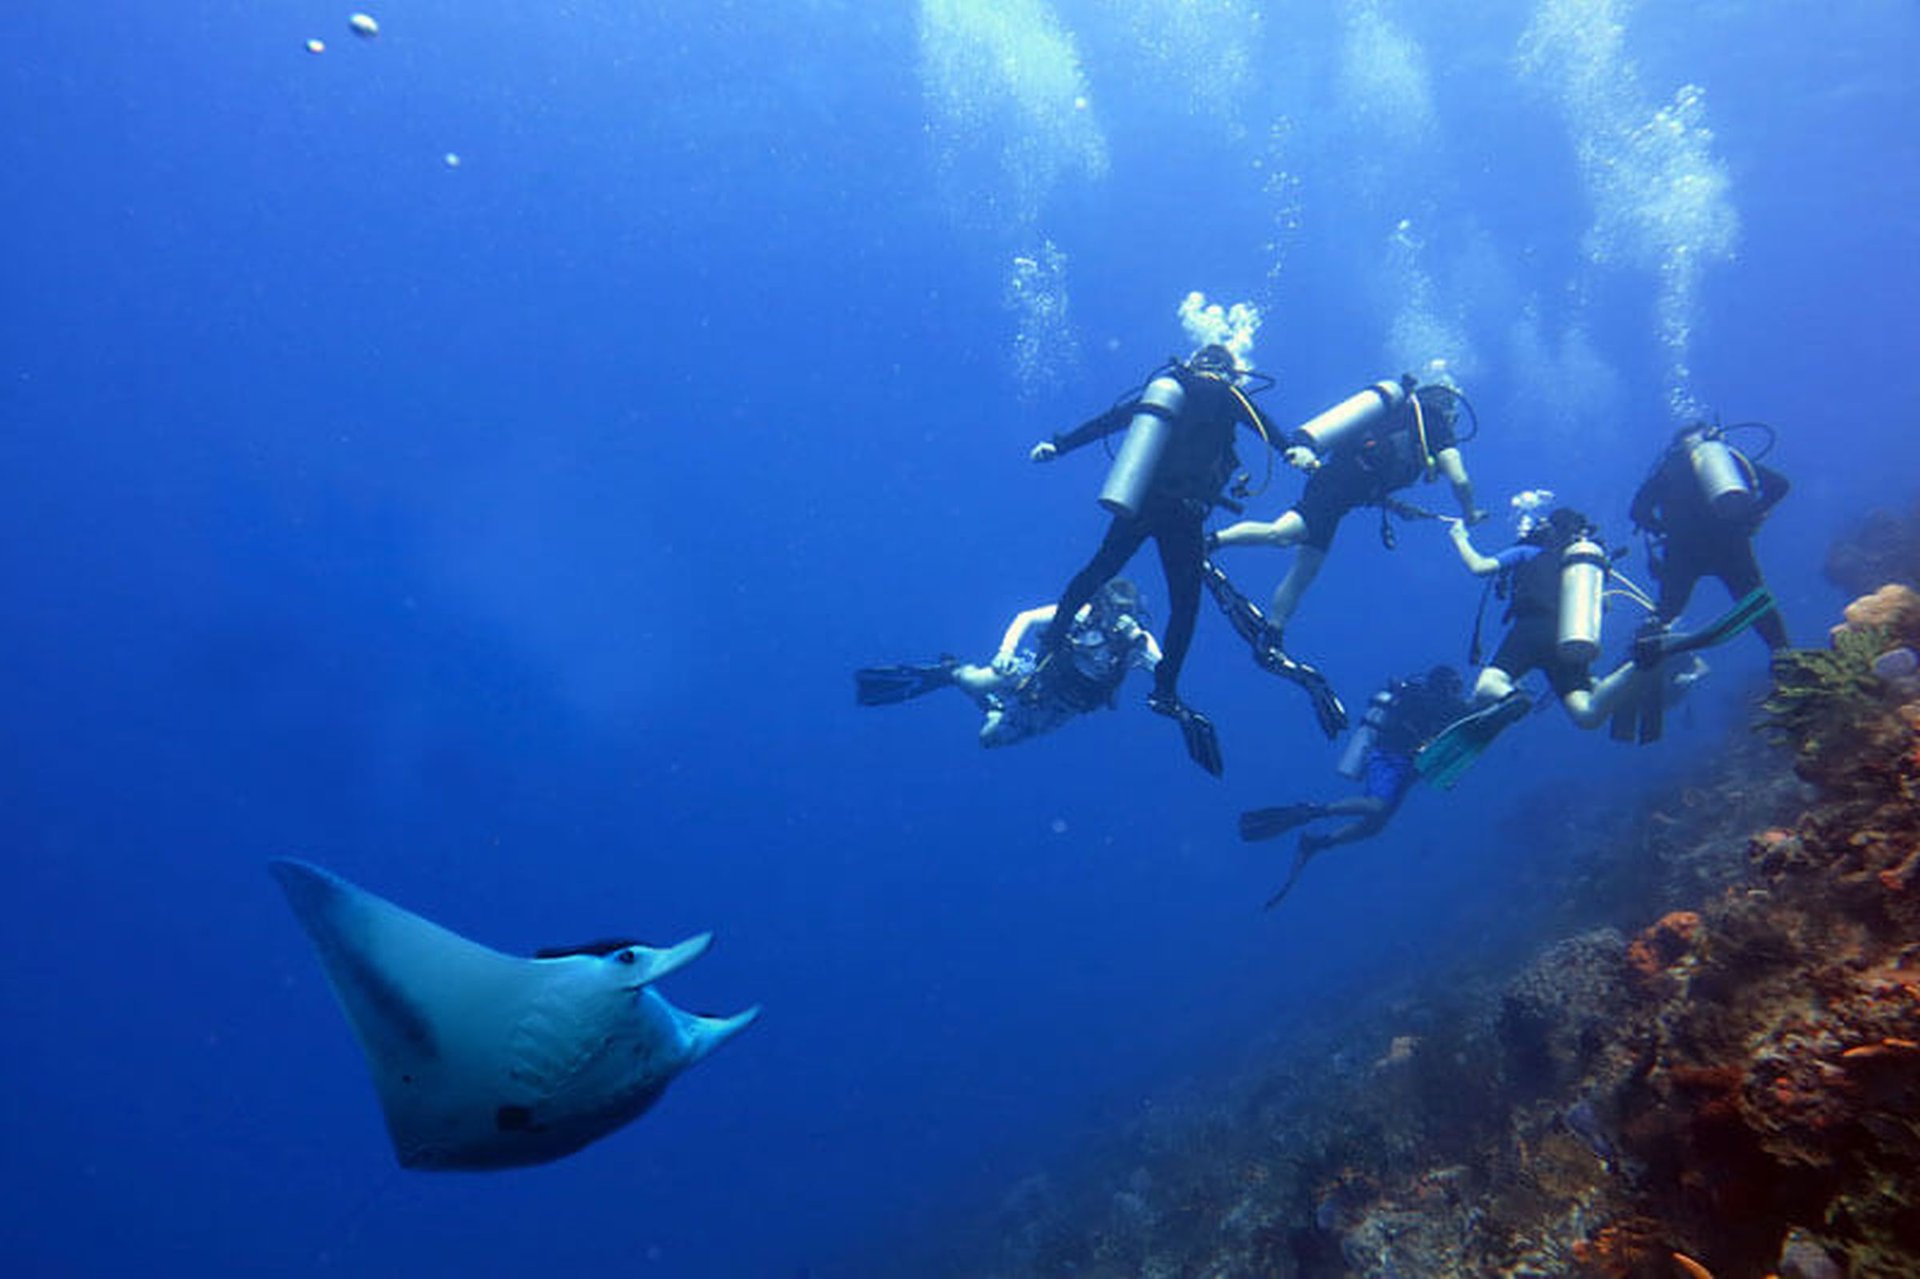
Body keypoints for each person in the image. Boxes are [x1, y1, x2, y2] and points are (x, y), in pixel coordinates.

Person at [1030, 343, 1277, 775]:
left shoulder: (1170, 385)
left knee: (1098, 570)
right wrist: (1298, 448)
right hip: (1185, 515)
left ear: (1196, 361)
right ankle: (1165, 688)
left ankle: (1052, 640)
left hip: (1143, 500)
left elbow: (1111, 420)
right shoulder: (1229, 396)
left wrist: (1059, 445)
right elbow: (1269, 430)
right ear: (1231, 372)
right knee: (1185, 605)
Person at [1209, 370, 1486, 640]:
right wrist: (1470, 513)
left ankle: (1274, 629)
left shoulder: (1407, 419)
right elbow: (1460, 480)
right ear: (1449, 409)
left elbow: (1372, 475)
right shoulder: (1436, 425)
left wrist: (1397, 507)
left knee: (1307, 567)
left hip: (1337, 488)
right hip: (1335, 487)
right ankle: (1209, 542)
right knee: (1281, 535)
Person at [1415, 506, 1649, 788]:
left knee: (1487, 686)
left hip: (1532, 628)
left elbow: (1479, 567)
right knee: (1587, 714)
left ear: (1548, 529)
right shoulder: (1586, 566)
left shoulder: (1528, 552)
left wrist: (1459, 537)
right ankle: (1643, 661)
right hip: (1569, 635)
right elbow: (1604, 606)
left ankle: (1512, 696)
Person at [1240, 665, 1471, 908]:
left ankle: (1318, 843)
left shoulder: (1441, 704)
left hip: (1410, 767)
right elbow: (1442, 716)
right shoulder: (1419, 698)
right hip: (1389, 758)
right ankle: (1313, 811)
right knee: (1376, 806)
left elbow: (1456, 723)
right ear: (1441, 685)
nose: (1457, 690)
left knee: (1374, 826)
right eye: (1454, 686)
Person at [854, 579, 1161, 749]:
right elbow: (1026, 618)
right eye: (1115, 608)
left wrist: (1167, 696)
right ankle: (953, 671)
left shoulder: (1138, 643)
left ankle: (994, 709)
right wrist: (1005, 652)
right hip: (1035, 676)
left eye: (1126, 611)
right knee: (976, 683)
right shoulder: (1081, 615)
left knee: (987, 739)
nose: (1119, 618)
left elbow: (1162, 668)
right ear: (1102, 604)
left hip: (1064, 707)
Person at [1629, 421, 1789, 651]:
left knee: (1668, 609)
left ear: (1676, 446)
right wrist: (1751, 513)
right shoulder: (1728, 461)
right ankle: (1784, 653)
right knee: (1755, 601)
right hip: (1730, 542)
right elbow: (1780, 485)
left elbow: (1638, 511)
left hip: (1683, 549)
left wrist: (1664, 530)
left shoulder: (1668, 468)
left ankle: (1645, 649)